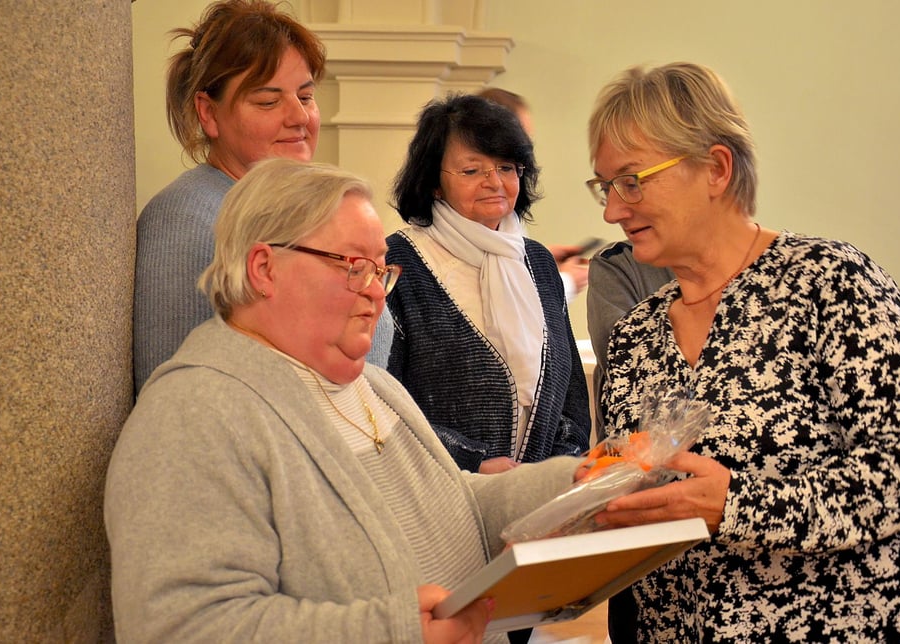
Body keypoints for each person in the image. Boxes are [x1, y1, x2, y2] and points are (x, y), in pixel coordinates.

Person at [105, 158, 582, 643]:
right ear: (264, 268)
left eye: (380, 270)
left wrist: (579, 487)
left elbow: (455, 511)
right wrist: (390, 633)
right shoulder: (194, 414)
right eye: (353, 266)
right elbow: (181, 627)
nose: (376, 292)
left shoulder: (375, 387)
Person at [585, 62, 900, 642]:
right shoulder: (638, 334)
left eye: (632, 181)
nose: (613, 210)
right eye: (605, 186)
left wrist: (739, 506)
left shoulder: (830, 284)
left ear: (715, 168)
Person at [132, 0, 394, 396]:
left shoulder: (307, 214)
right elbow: (181, 394)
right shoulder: (188, 220)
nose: (299, 118)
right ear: (209, 113)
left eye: (305, 97)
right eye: (268, 101)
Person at [385, 93, 591, 476]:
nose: (494, 182)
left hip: (539, 498)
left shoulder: (539, 263)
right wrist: (472, 463)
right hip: (442, 490)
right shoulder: (398, 263)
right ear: (433, 183)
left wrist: (554, 471)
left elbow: (571, 398)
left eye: (507, 167)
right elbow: (381, 400)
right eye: (471, 170)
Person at [476, 87, 589, 302]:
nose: (528, 155)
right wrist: (566, 282)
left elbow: (506, 267)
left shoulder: (509, 211)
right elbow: (503, 302)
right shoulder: (481, 206)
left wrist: (539, 259)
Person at [585, 241, 673, 441]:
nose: (612, 216)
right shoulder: (618, 262)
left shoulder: (754, 280)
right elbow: (625, 370)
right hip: (641, 456)